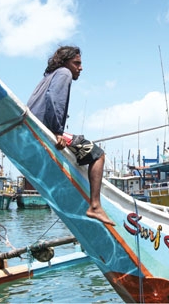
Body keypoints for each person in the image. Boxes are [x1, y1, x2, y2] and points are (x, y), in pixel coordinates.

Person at [27, 46, 115, 226]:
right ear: (65, 62)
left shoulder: (47, 78)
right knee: (98, 154)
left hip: (34, 127)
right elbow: (54, 99)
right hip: (47, 130)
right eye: (77, 63)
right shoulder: (64, 73)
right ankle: (95, 206)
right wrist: (57, 131)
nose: (80, 68)